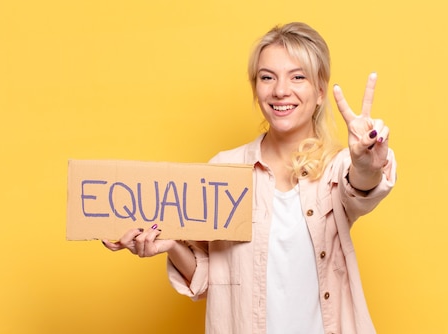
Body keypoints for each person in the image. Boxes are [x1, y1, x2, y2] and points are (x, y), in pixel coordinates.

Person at [103, 22, 397, 334]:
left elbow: (362, 187)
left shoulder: (337, 168)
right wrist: (172, 244)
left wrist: (366, 162)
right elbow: (206, 278)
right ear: (256, 88)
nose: (280, 90)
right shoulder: (224, 169)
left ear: (320, 91)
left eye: (297, 77)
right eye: (267, 77)